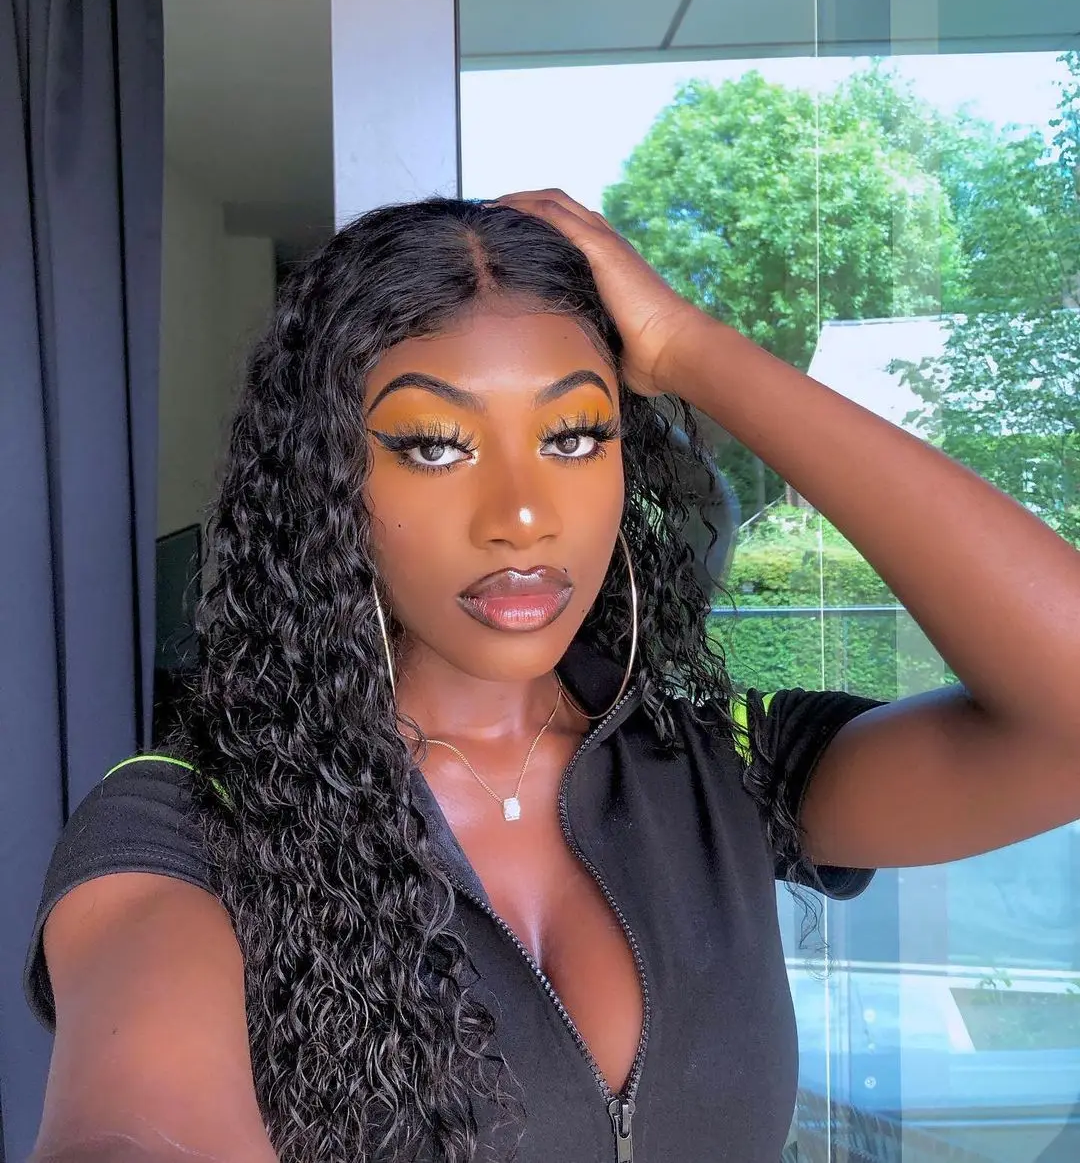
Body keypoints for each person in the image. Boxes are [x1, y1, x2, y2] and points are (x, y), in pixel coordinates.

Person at [24, 193, 1080, 1163]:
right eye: (435, 446)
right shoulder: (190, 825)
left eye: (574, 435)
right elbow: (131, 1130)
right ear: (326, 479)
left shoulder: (714, 764)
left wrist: (690, 349)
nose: (523, 516)